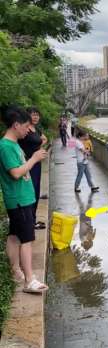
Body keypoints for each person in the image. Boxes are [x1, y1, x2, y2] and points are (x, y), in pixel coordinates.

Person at [0, 105, 48, 293]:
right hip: (19, 198)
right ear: (15, 125)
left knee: (14, 236)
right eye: (26, 126)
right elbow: (16, 173)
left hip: (22, 197)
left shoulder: (13, 145)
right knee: (27, 239)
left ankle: (15, 270)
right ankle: (29, 280)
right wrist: (34, 158)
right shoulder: (6, 146)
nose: (29, 130)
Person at [18, 107, 47, 230]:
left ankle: (32, 220)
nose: (35, 117)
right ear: (27, 116)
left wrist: (37, 146)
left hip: (36, 163)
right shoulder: (24, 130)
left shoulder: (36, 129)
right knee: (30, 192)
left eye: (37, 115)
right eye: (33, 114)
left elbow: (44, 138)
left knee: (35, 191)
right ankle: (29, 221)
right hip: (28, 164)